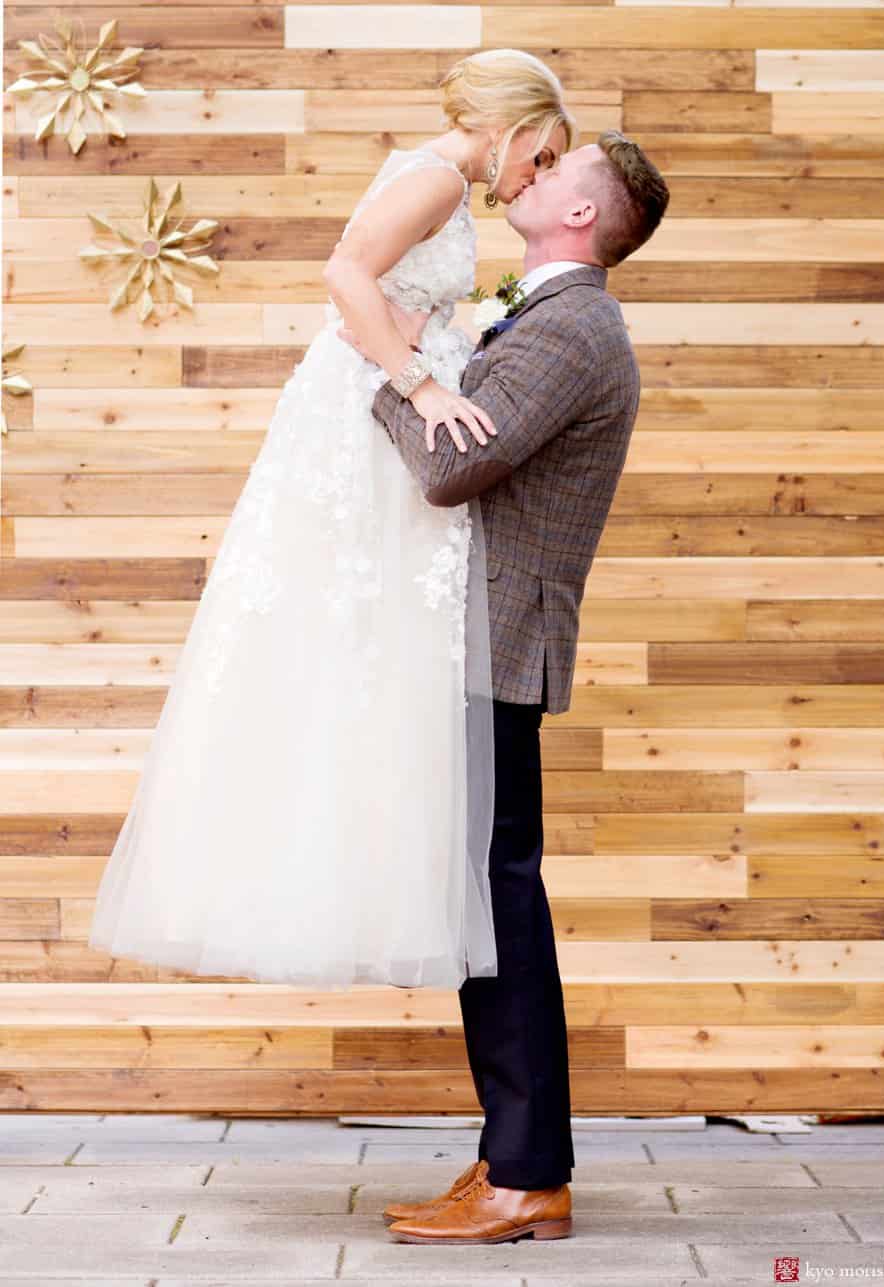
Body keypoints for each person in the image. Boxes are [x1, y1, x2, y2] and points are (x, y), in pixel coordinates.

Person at [85, 49, 574, 993]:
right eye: (541, 156)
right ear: (506, 128)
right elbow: (346, 275)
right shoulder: (435, 175)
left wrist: (474, 324)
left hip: (380, 388)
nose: (538, 178)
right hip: (364, 408)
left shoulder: (444, 186)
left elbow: (403, 296)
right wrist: (420, 381)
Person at [345, 130, 670, 1245]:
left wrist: (377, 369)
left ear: (583, 216)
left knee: (499, 899)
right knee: (488, 893)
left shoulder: (575, 327)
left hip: (494, 644)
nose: (533, 172)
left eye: (559, 169)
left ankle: (529, 1174)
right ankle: (508, 1156)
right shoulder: (548, 316)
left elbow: (448, 465)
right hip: (474, 638)